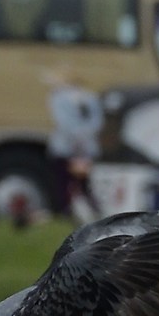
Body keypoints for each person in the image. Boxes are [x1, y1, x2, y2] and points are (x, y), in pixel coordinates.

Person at [44, 69, 103, 223]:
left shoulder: (61, 98)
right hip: (76, 147)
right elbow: (94, 122)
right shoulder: (86, 97)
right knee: (73, 183)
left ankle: (72, 212)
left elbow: (64, 122)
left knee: (73, 183)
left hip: (70, 148)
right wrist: (83, 134)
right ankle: (71, 211)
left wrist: (80, 135)